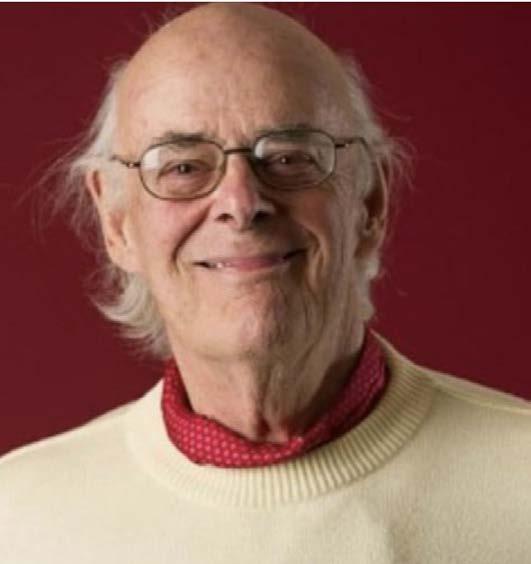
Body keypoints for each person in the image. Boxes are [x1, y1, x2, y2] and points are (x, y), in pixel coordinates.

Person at [1, 4, 529, 563]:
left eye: (288, 157)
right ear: (116, 222)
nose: (240, 202)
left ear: (370, 202)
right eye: (183, 167)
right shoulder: (20, 520)